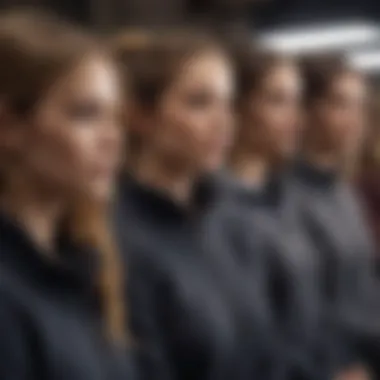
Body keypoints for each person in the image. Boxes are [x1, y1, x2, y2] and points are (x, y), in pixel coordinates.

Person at [113, 32, 280, 380]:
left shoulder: (231, 218)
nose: (224, 122)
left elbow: (268, 346)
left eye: (228, 103)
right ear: (141, 117)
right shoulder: (117, 236)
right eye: (199, 103)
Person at [0, 9, 133, 380]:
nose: (113, 139)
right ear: (8, 126)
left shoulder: (79, 260)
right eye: (86, 114)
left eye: (116, 117)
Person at [294, 54, 377, 379]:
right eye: (342, 105)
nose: (357, 119)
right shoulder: (289, 199)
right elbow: (311, 308)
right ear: (308, 112)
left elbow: (362, 286)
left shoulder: (342, 191)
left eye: (360, 106)